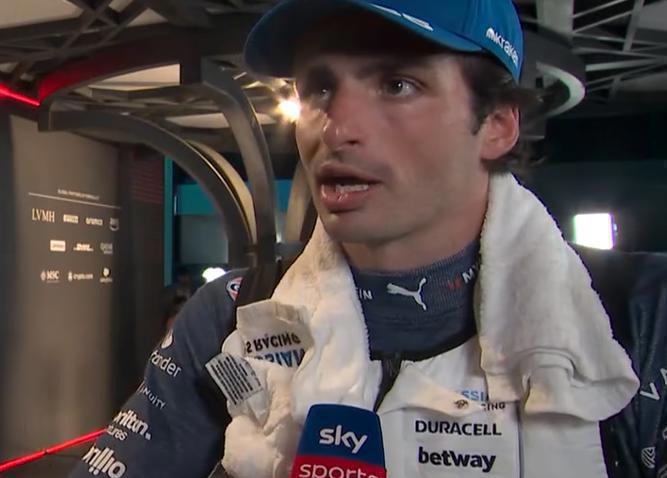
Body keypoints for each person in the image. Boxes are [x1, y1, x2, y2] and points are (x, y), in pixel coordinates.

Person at [70, 1, 666, 477]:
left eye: (397, 84)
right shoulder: (233, 315)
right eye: (319, 89)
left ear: (497, 124)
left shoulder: (643, 319)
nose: (337, 129)